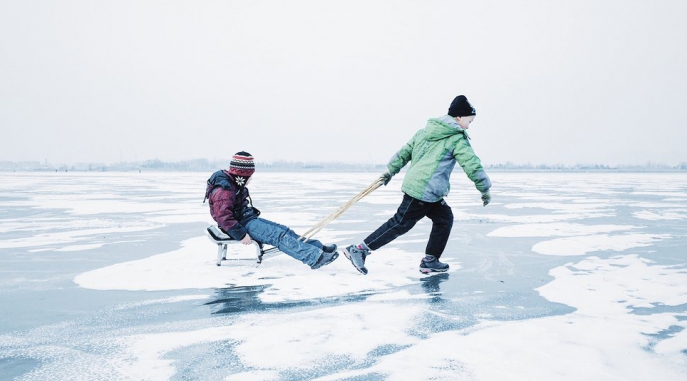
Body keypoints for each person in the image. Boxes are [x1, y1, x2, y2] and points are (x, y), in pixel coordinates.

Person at [344, 95, 491, 275]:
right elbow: (472, 165)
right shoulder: (456, 139)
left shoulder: (424, 132)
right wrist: (484, 189)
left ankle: (430, 260)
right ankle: (360, 249)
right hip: (422, 192)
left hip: (430, 192)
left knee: (444, 218)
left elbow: (404, 152)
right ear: (459, 117)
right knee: (400, 223)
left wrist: (391, 170)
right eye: (469, 120)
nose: (469, 125)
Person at [206, 152, 339, 269]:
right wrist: (241, 234)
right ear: (242, 175)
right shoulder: (224, 190)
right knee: (278, 235)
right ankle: (314, 258)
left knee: (285, 231)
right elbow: (223, 217)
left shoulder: (233, 183)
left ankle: (317, 248)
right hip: (240, 225)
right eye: (249, 177)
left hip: (246, 219)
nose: (250, 180)